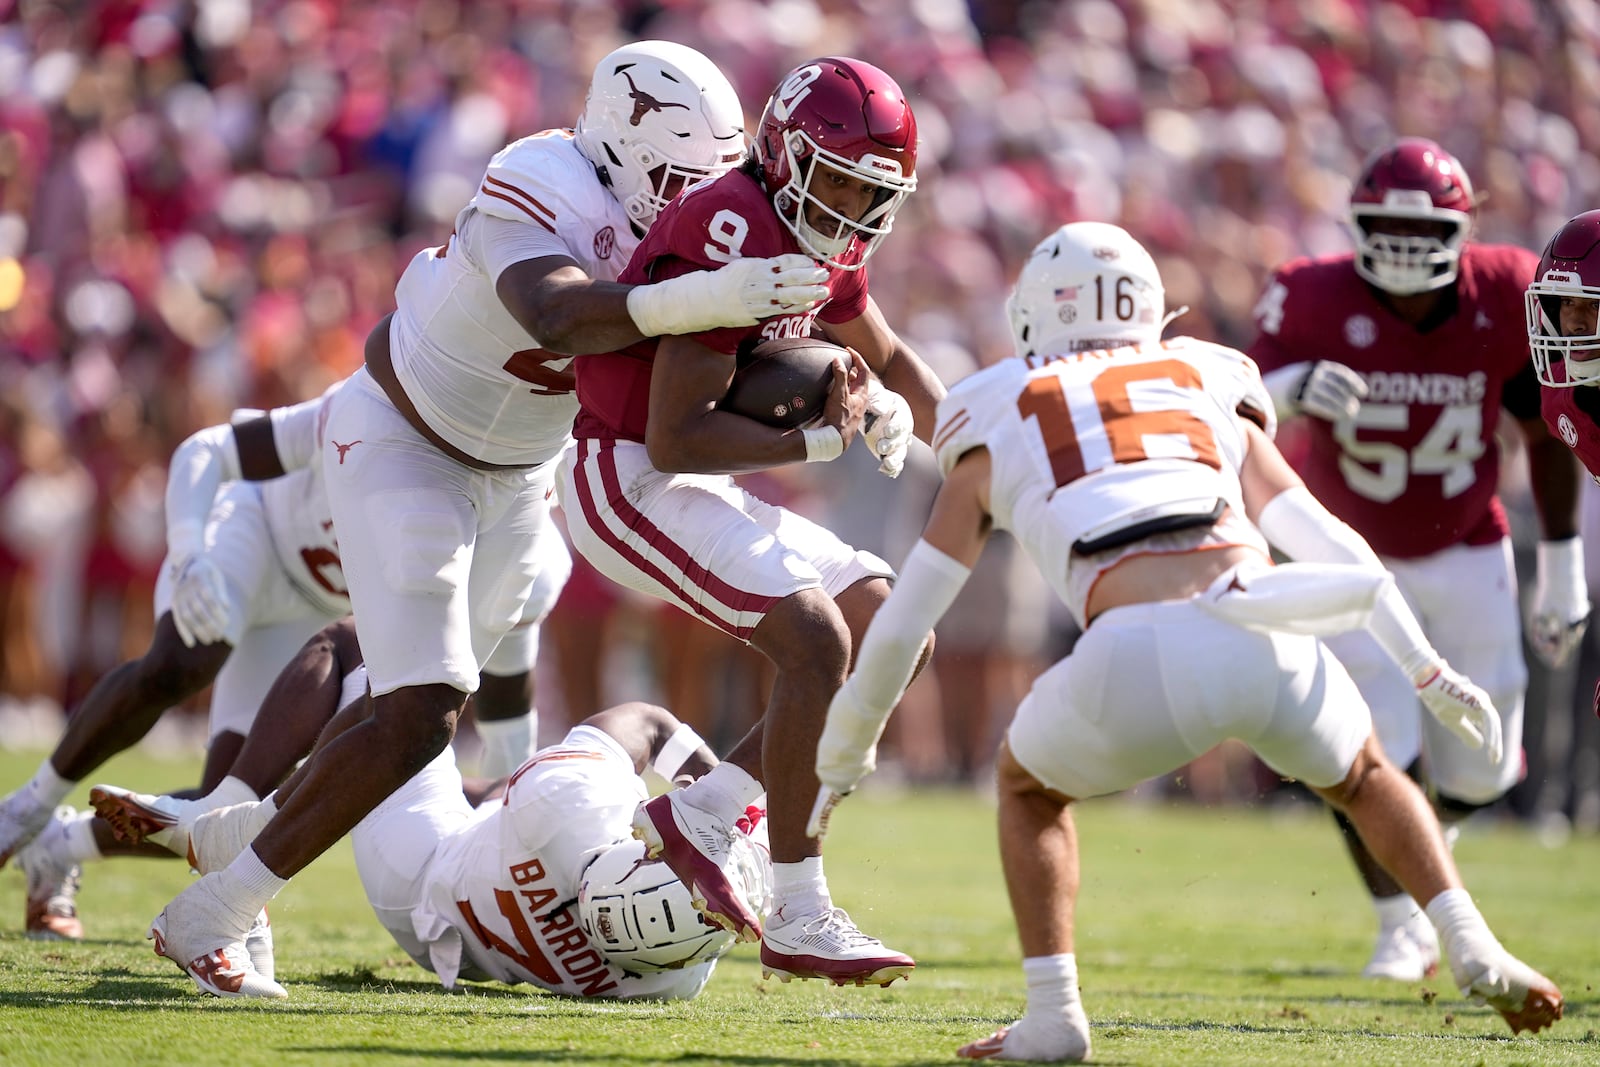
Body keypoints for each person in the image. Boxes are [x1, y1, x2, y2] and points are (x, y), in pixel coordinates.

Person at [137, 40, 831, 999]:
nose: (690, 202)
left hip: (519, 472)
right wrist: (703, 296)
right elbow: (556, 314)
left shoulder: (684, 218)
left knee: (411, 699)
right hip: (406, 442)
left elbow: (709, 357)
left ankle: (238, 832)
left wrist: (828, 391)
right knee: (425, 704)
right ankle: (215, 911)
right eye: (677, 179)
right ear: (620, 143)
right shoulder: (538, 175)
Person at [810, 221, 1564, 1061]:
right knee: (1367, 777)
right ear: (1146, 308)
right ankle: (1473, 943)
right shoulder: (1203, 373)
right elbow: (1327, 538)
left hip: (1134, 646)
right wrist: (1425, 667)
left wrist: (845, 750)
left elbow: (911, 614)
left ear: (1034, 314)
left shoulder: (992, 407)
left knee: (1028, 789)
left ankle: (1055, 1015)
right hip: (1262, 621)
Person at [560, 56, 946, 986]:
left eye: (871, 190)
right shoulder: (733, 224)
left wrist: (1000, 466)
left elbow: (894, 363)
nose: (852, 208)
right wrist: (817, 443)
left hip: (689, 473)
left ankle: (705, 810)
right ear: (783, 150)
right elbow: (679, 435)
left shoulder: (827, 239)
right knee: (814, 638)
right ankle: (800, 905)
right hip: (626, 475)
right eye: (840, 177)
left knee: (889, 625)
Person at [0, 382, 569, 942]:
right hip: (255, 533)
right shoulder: (376, 413)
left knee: (230, 807)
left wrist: (508, 815)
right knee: (185, 658)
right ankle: (27, 807)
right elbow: (206, 449)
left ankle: (60, 845)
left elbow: (503, 691)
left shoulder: (526, 548)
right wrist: (189, 549)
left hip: (315, 608)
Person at [1246, 138, 1588, 981]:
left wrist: (1563, 559)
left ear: (1462, 230)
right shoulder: (1308, 293)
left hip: (1469, 545)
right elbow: (1227, 401)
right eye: (1385, 224)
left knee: (1484, 756)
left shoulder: (1505, 289)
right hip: (1348, 552)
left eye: (1421, 225)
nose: (1402, 243)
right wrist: (1286, 387)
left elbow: (1544, 428)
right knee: (1363, 746)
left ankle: (1429, 845)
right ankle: (1403, 917)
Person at [95, 616, 769, 1000]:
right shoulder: (677, 981)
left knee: (374, 658)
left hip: (421, 858)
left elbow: (644, 720)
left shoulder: (574, 807)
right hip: (461, 929)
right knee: (496, 794)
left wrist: (709, 783)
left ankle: (243, 818)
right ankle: (107, 837)